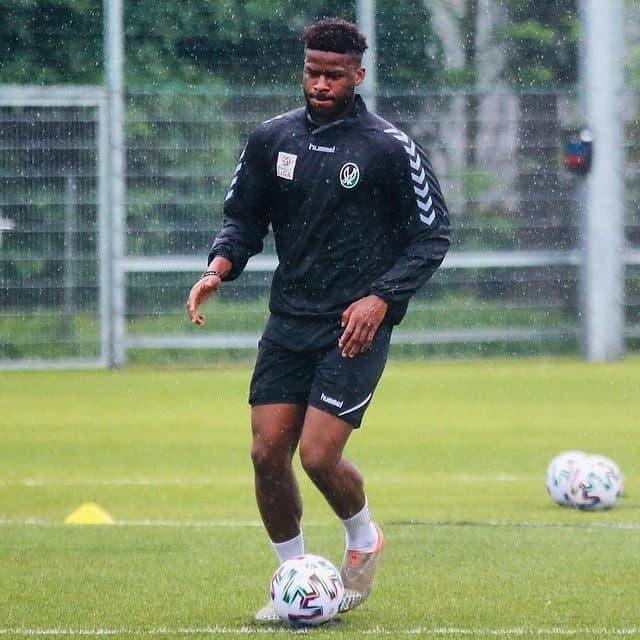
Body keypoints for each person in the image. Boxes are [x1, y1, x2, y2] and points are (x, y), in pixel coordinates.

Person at [187, 17, 450, 623]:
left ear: (358, 75)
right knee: (266, 454)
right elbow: (243, 219)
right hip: (289, 320)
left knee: (318, 456)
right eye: (313, 72)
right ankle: (294, 580)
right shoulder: (272, 139)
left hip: (355, 327)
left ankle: (363, 535)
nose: (321, 84)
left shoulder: (388, 148)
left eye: (334, 74)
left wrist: (380, 298)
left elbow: (432, 236)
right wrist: (218, 268)